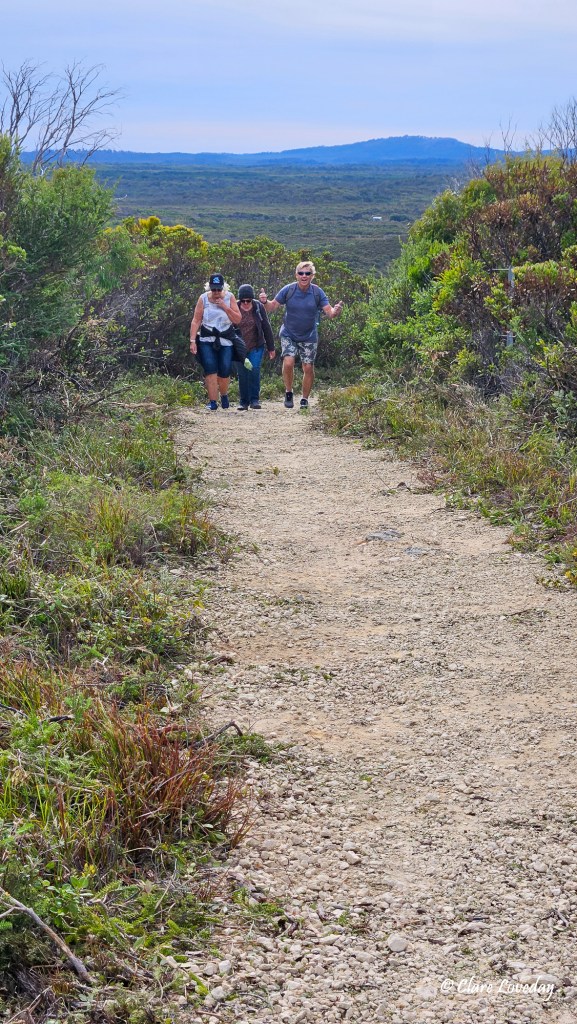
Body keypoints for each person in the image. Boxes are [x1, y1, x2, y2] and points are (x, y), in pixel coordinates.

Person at [258, 261, 343, 409]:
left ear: (312, 276)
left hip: (309, 335)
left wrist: (335, 311)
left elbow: (329, 312)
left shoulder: (317, 292)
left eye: (307, 273)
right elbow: (271, 307)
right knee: (288, 362)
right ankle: (288, 392)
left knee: (308, 367)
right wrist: (264, 302)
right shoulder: (289, 290)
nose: (304, 276)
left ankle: (304, 399)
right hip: (288, 333)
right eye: (301, 273)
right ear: (296, 275)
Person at [189, 273, 241, 410]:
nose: (216, 292)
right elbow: (196, 320)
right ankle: (213, 402)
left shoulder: (230, 297)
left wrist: (224, 306)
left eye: (219, 289)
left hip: (225, 339)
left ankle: (224, 395)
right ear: (209, 288)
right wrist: (192, 340)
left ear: (223, 288)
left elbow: (237, 319)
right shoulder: (203, 298)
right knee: (210, 369)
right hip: (207, 338)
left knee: (224, 370)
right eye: (213, 289)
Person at [236, 284, 275, 410]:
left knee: (254, 369)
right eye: (243, 300)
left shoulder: (258, 307)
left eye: (248, 300)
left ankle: (254, 399)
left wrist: (271, 347)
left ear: (252, 299)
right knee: (242, 373)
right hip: (239, 347)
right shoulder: (234, 307)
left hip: (256, 345)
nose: (246, 303)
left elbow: (266, 327)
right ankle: (243, 401)